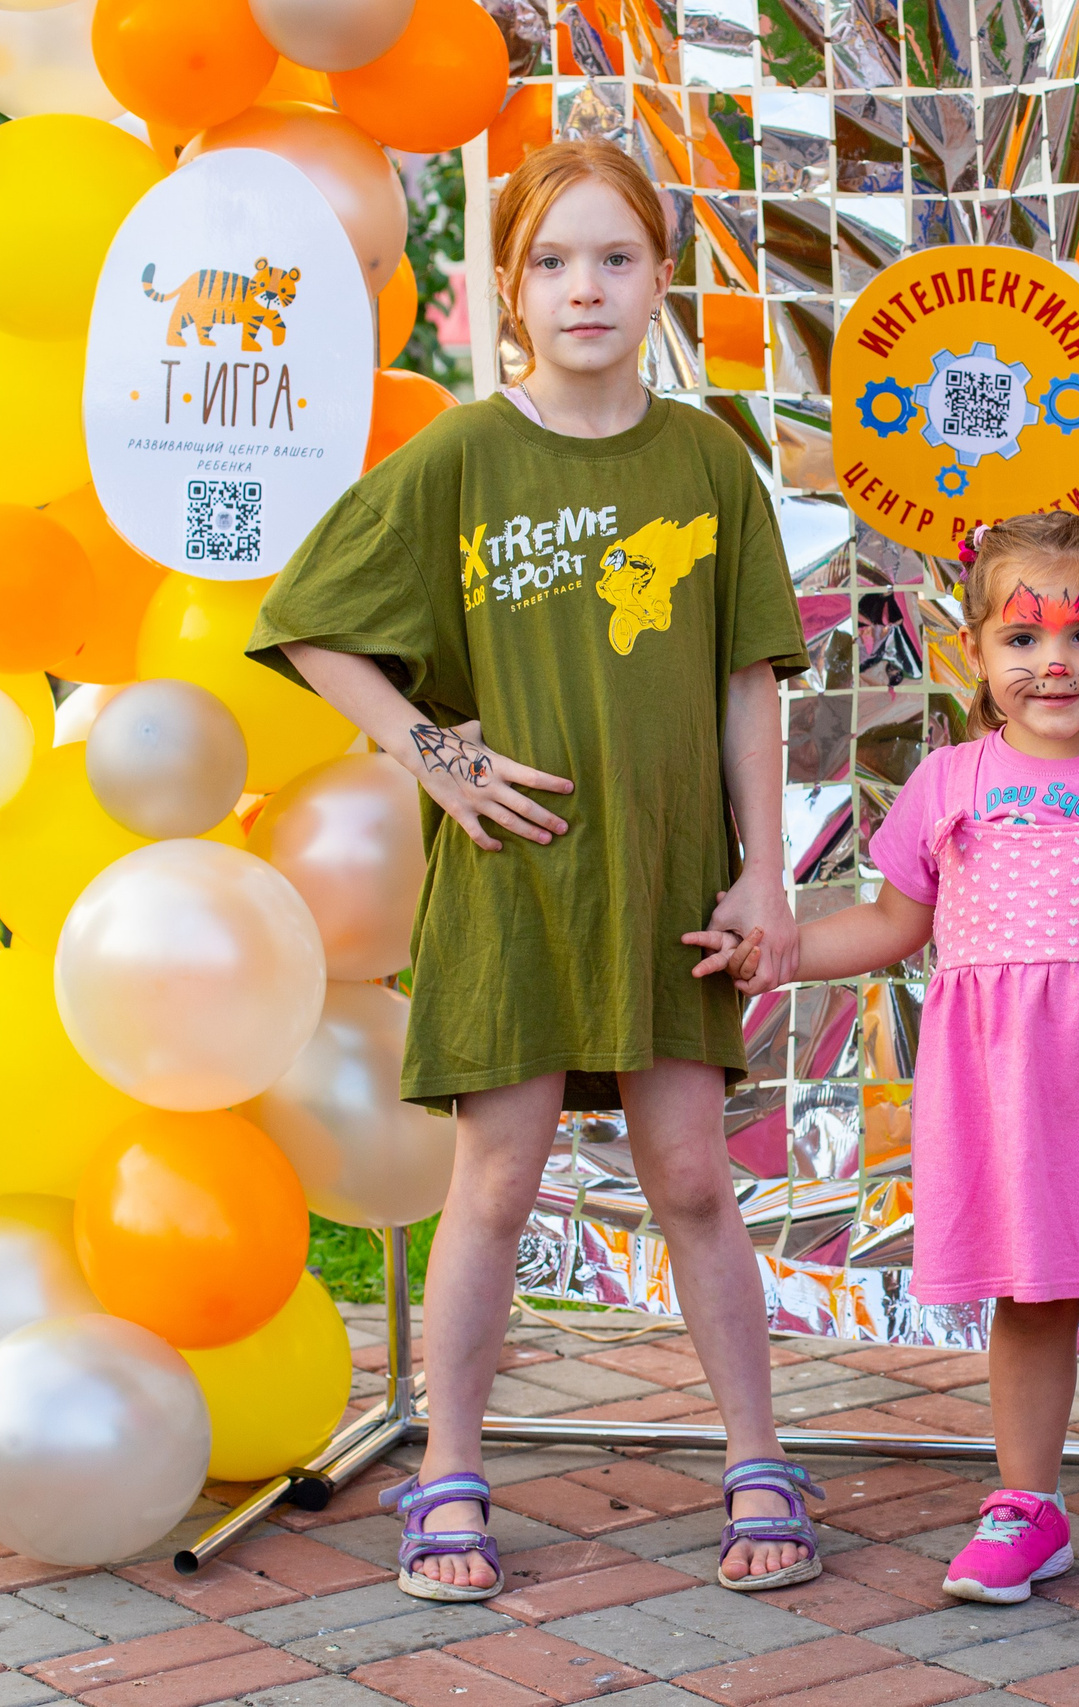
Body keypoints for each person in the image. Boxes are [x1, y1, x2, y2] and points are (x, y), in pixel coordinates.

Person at [249, 139, 824, 1603]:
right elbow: (314, 620)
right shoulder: (460, 454)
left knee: (693, 1171)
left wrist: (767, 877)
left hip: (668, 883)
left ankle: (758, 1453)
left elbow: (751, 678)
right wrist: (433, 753)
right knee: (494, 1177)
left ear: (660, 277)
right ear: (509, 287)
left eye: (617, 258)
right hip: (517, 882)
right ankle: (450, 1465)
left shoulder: (706, 459)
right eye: (554, 261)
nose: (587, 287)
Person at [721, 510, 1079, 1616]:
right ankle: (1027, 1507)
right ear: (972, 652)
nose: (1051, 664)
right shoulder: (946, 784)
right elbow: (889, 921)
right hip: (1001, 1091)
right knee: (1024, 1297)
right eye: (1020, 641)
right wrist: (782, 952)